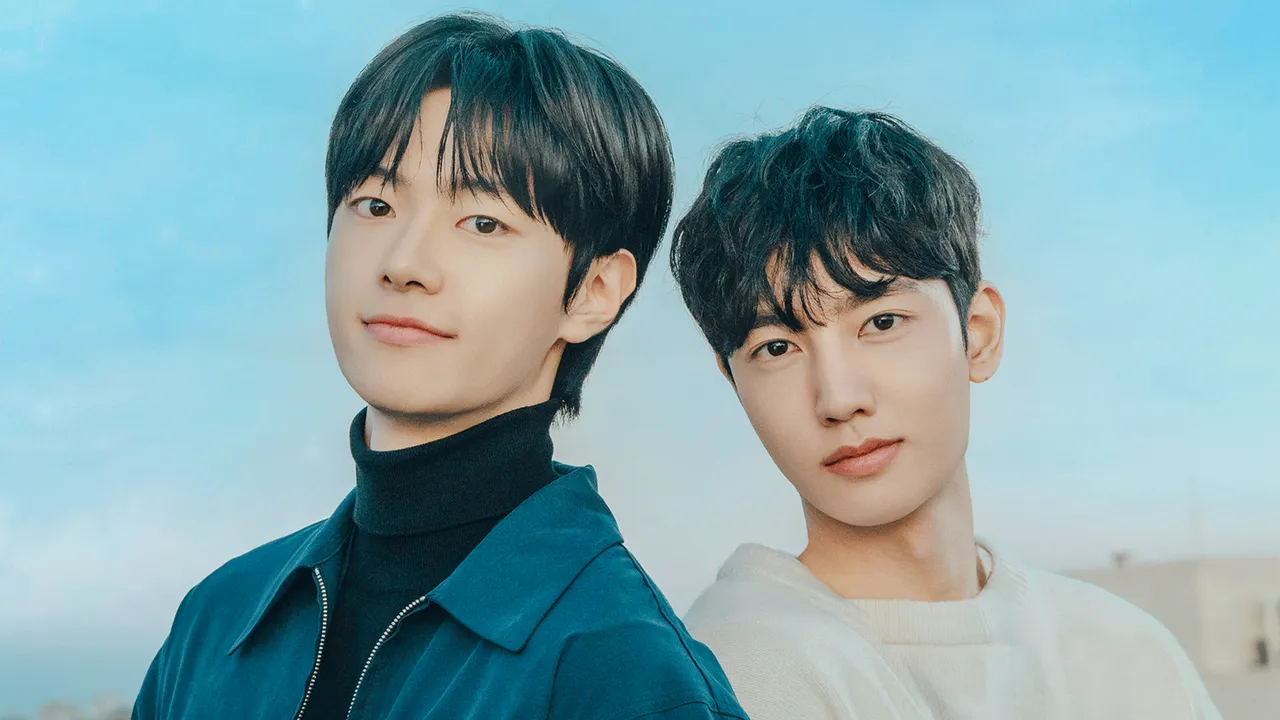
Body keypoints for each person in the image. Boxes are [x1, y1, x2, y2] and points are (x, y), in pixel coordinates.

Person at [132, 13, 745, 720]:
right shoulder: (217, 622)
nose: (403, 263)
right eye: (375, 204)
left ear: (593, 292)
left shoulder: (630, 674)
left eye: (483, 222)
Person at [670, 106, 1222, 719]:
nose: (839, 399)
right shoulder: (724, 678)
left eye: (882, 322)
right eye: (777, 348)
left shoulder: (1131, 655)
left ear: (978, 334)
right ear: (733, 381)